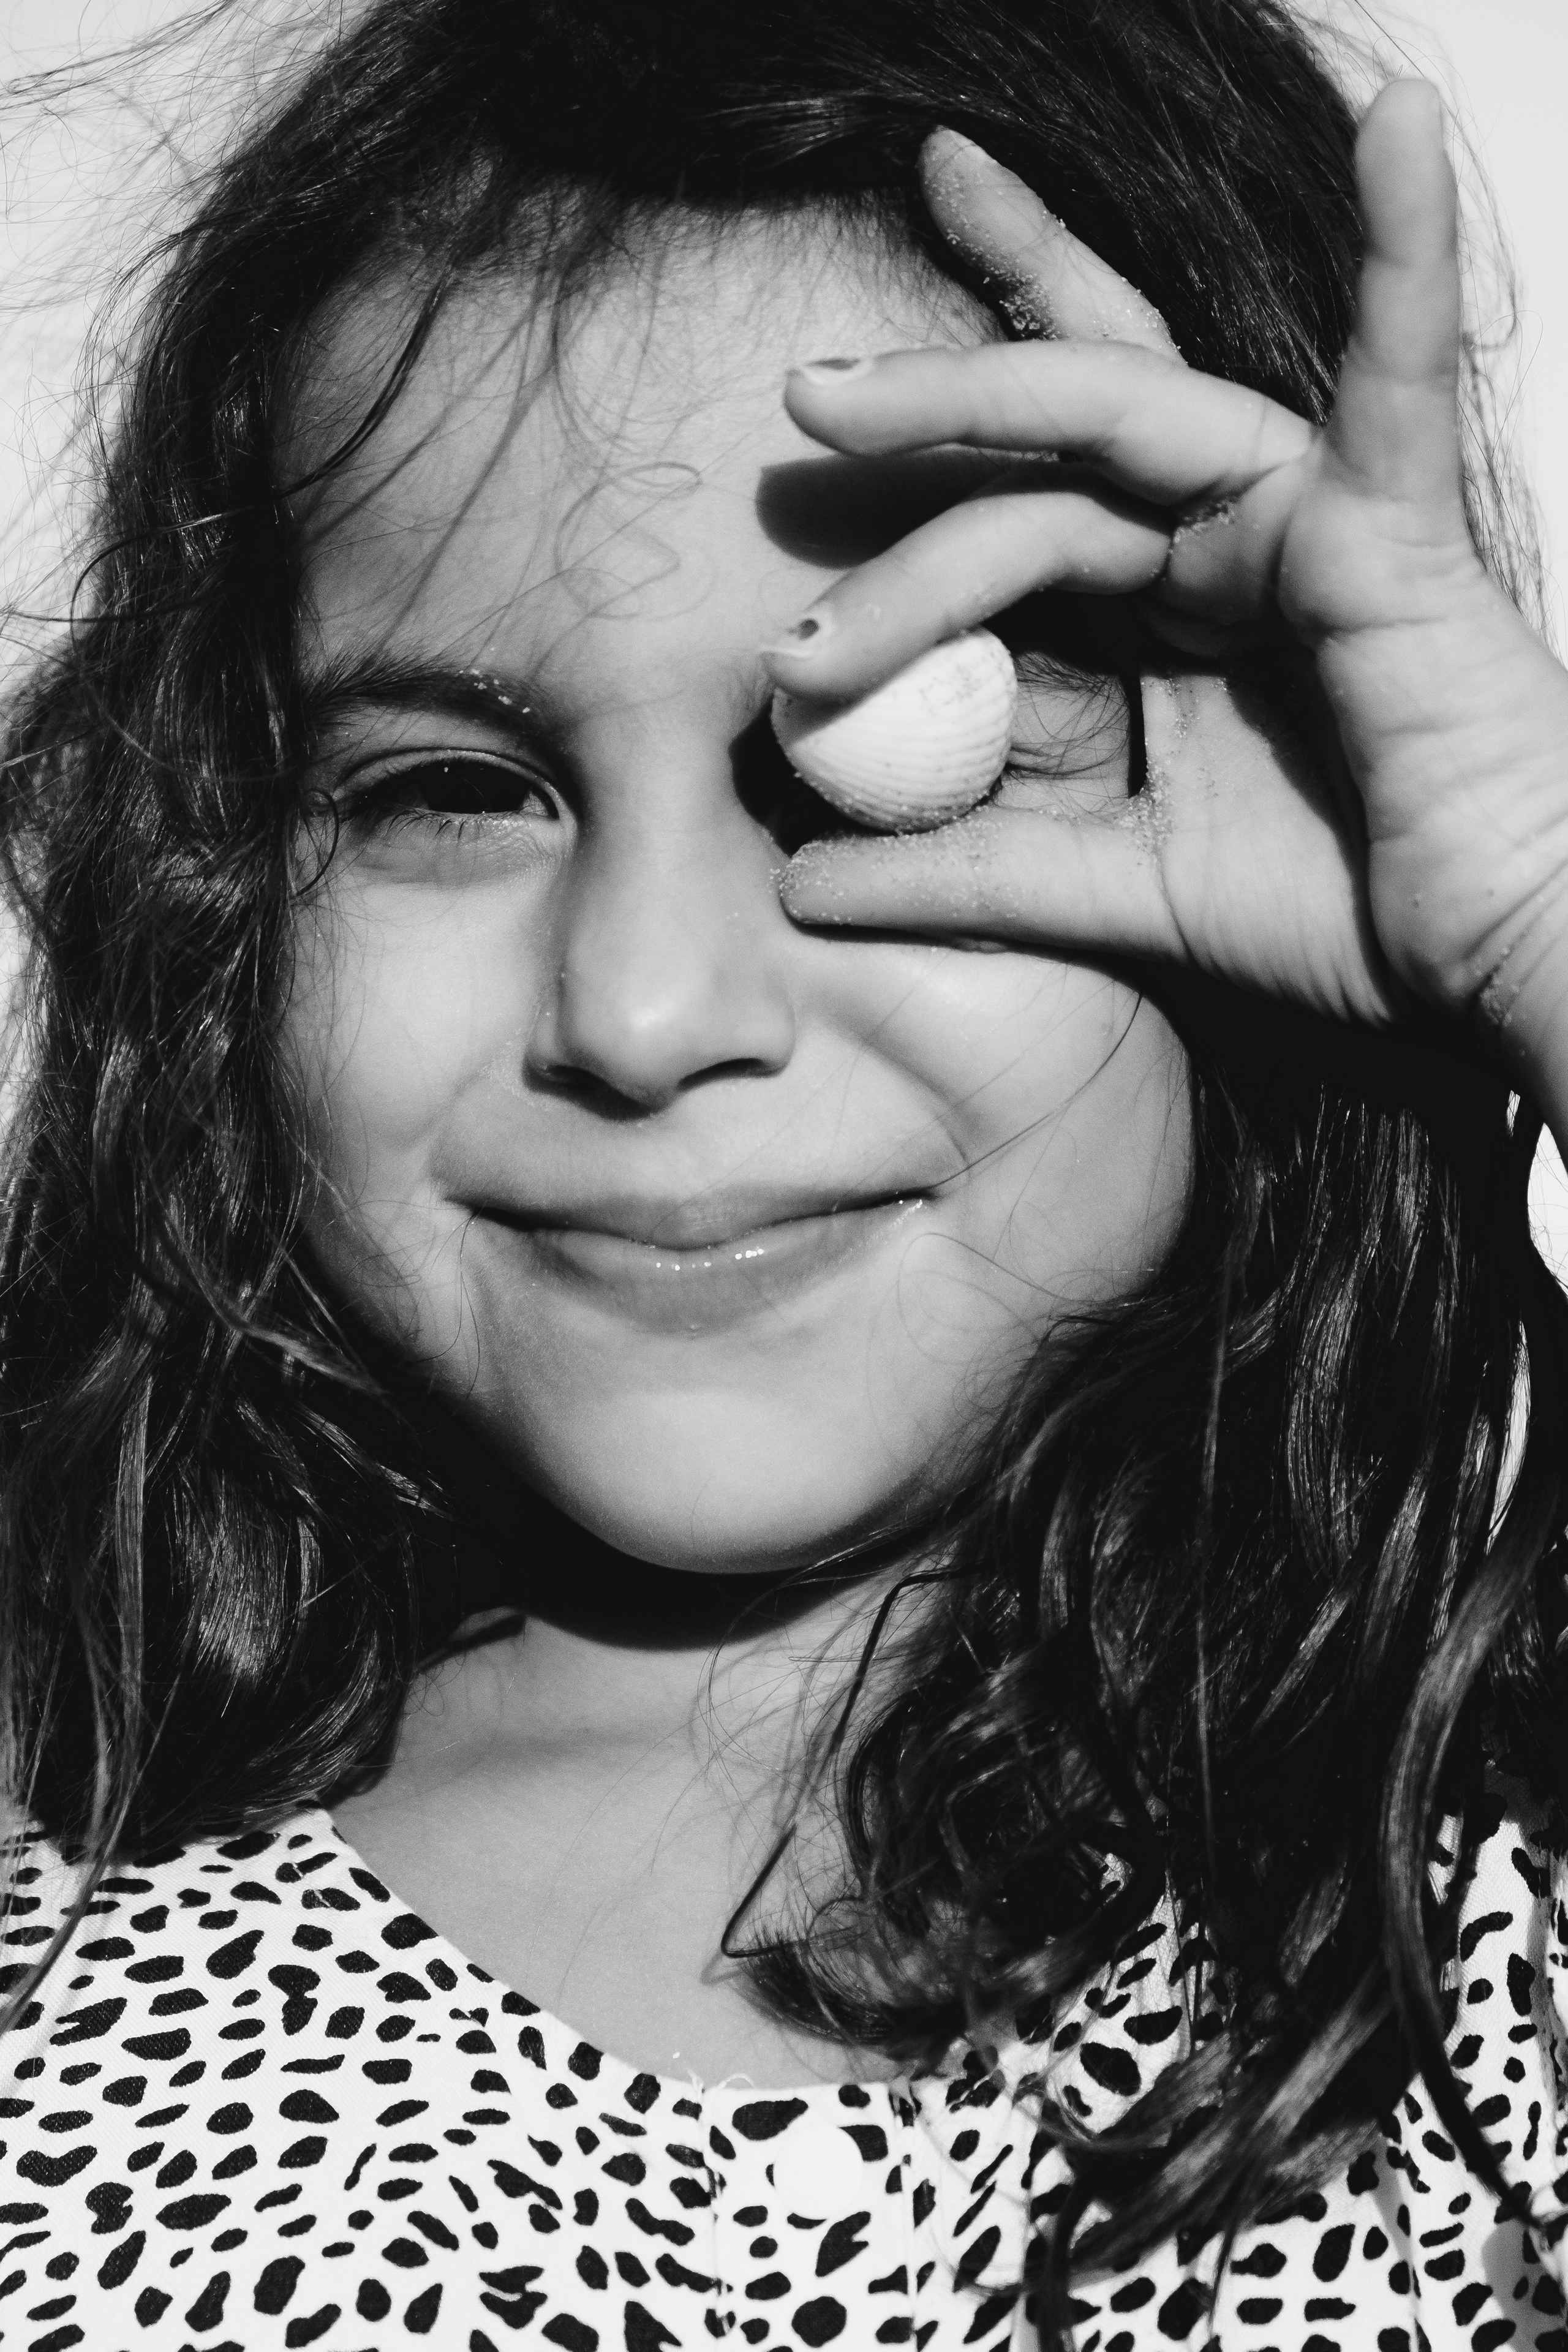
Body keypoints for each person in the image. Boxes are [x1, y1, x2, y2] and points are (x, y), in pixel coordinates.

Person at [2, 0, 1568, 2342]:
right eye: (451, 790)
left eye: (883, 759)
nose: (642, 1012)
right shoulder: (56, 1919)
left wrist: (1541, 915)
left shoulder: (1497, 1872)